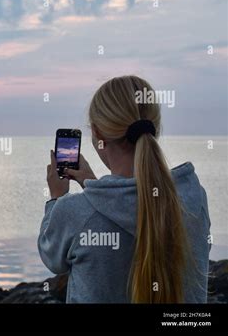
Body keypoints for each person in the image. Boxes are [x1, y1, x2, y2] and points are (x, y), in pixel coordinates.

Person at [38, 75, 211, 303]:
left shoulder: (74, 213)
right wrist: (93, 184)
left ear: (98, 133)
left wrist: (57, 199)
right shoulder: (192, 196)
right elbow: (136, 205)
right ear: (155, 128)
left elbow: (52, 257)